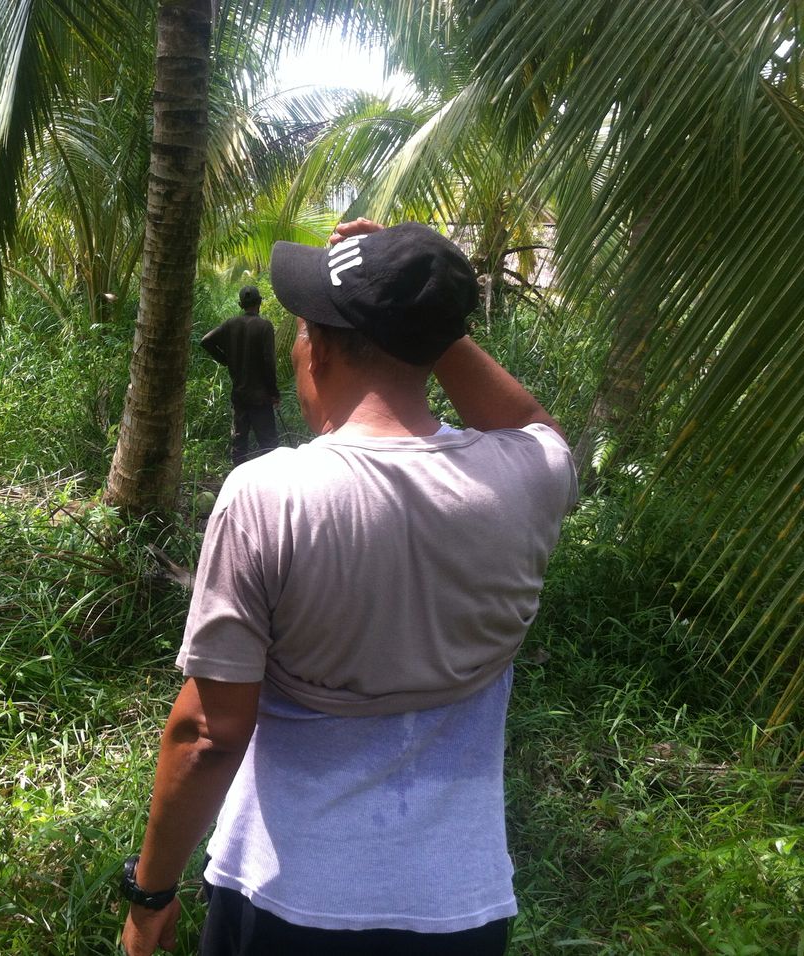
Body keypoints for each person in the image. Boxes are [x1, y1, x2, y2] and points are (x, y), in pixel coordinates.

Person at [120, 220, 578, 955]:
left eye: (302, 327)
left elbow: (209, 733)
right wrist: (426, 316)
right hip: (461, 907)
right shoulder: (529, 480)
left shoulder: (270, 496)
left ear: (320, 347)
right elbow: (533, 426)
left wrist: (149, 894)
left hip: (285, 898)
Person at [200, 285, 280, 466]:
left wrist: (224, 359)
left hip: (240, 396)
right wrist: (274, 393)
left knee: (239, 446)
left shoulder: (230, 324)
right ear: (259, 302)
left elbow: (206, 341)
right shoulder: (265, 326)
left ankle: (238, 485)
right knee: (269, 446)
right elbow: (269, 363)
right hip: (261, 398)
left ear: (240, 304)